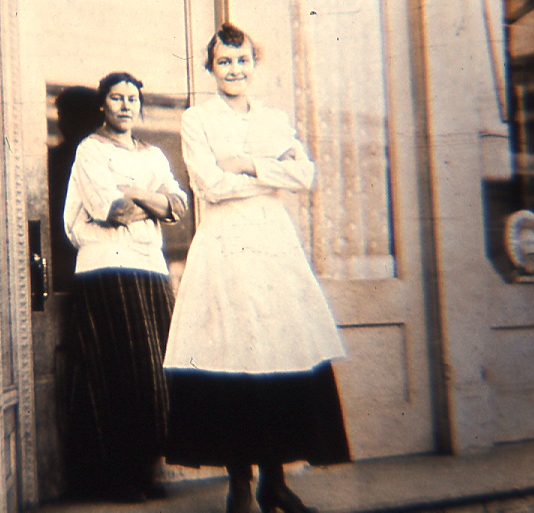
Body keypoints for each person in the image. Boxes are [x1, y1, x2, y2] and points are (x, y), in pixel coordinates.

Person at [163, 23, 350, 513]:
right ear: (211, 68)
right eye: (224, 62)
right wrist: (269, 175)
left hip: (272, 246)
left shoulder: (273, 117)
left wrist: (246, 162)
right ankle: (240, 482)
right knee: (232, 355)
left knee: (280, 352)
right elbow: (209, 185)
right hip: (225, 246)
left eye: (242, 60)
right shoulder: (196, 120)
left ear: (254, 63)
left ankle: (276, 482)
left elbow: (304, 174)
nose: (234, 69)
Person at [61, 71, 188, 501]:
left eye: (132, 98)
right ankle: (116, 476)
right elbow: (111, 209)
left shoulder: (153, 154)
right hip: (106, 271)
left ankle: (144, 468)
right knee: (114, 372)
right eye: (117, 98)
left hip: (150, 269)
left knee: (153, 372)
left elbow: (180, 206)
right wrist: (153, 203)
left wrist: (141, 194)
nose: (126, 105)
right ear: (103, 105)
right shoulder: (89, 151)